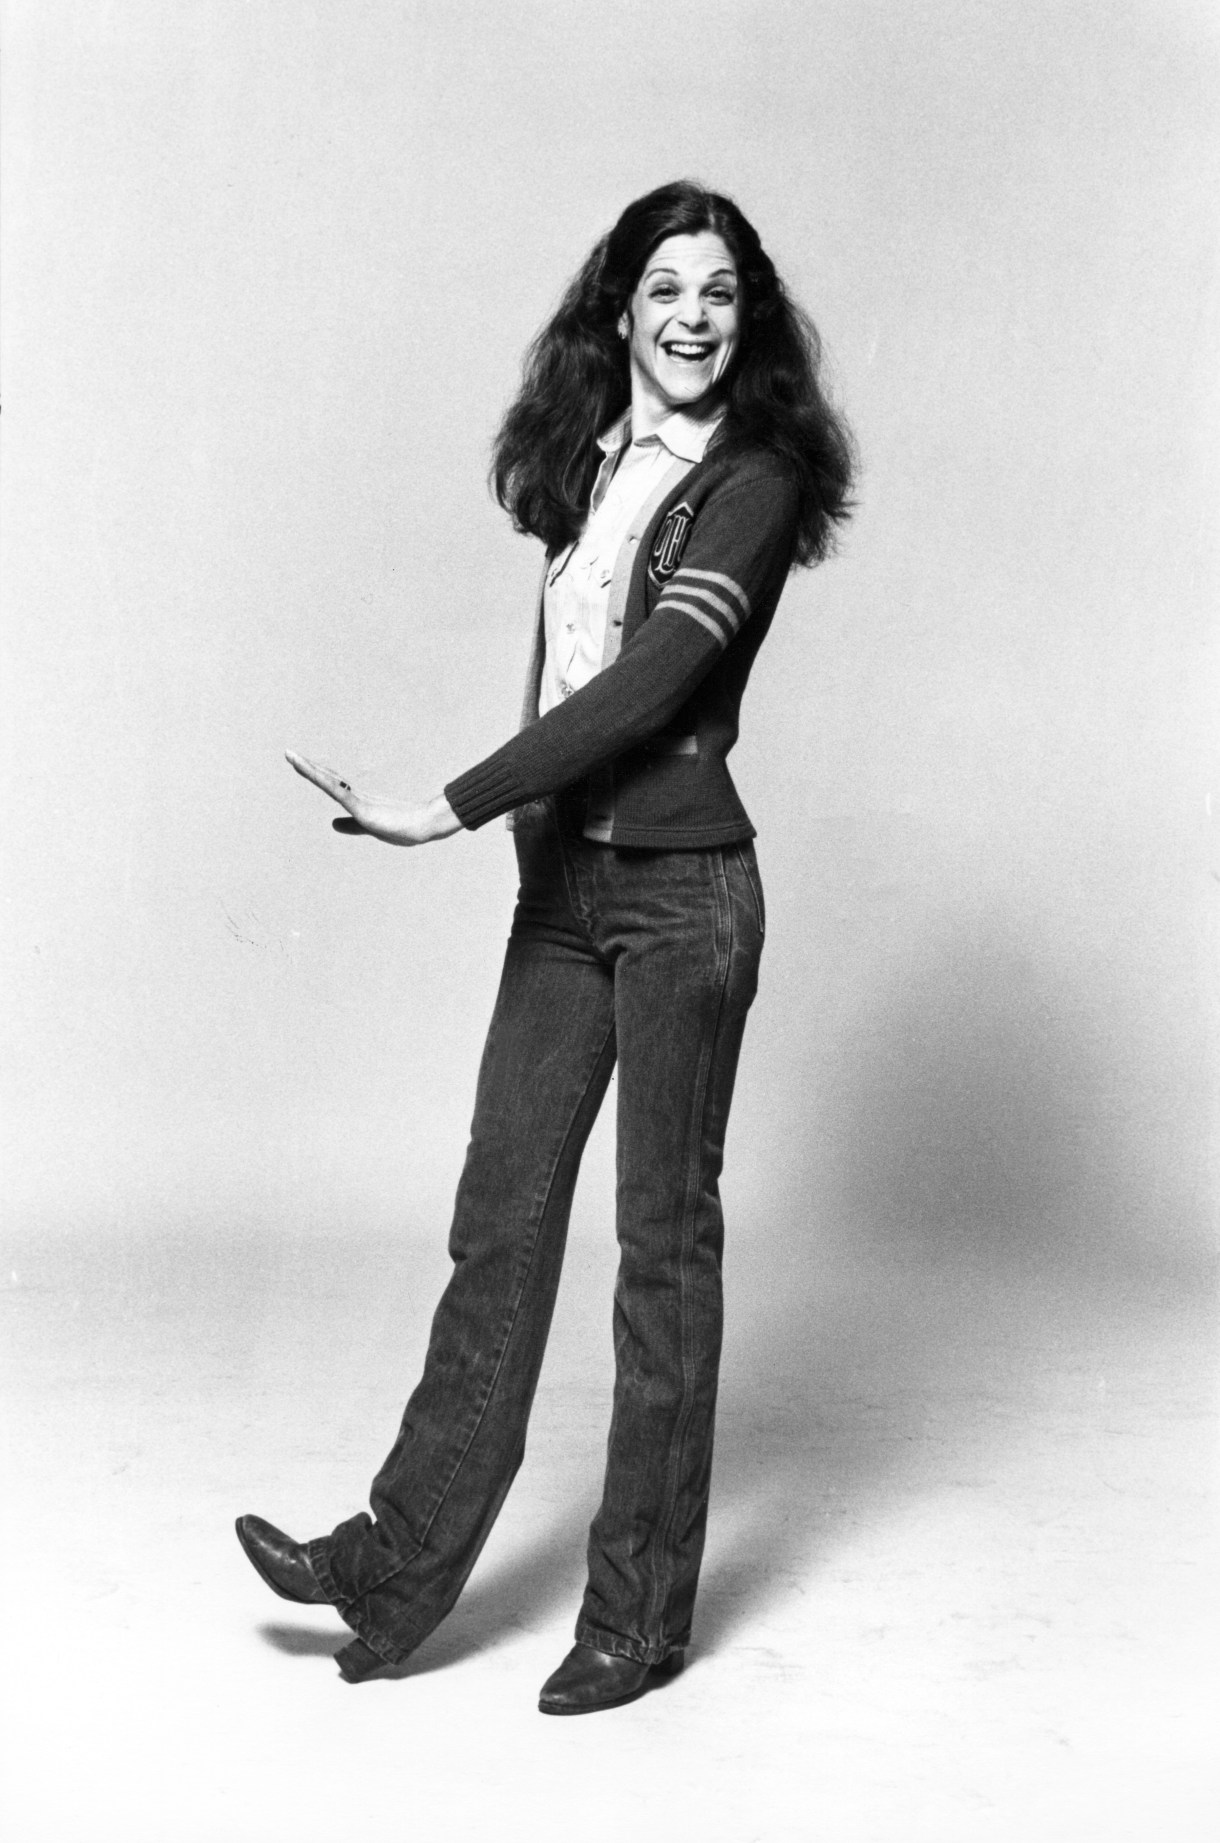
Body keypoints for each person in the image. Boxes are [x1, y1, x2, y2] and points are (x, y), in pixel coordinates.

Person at [236, 180, 854, 1714]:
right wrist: (529, 840)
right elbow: (559, 667)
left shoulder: (756, 480)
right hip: (566, 898)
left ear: (746, 318)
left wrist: (452, 806)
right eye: (665, 289)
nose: (693, 316)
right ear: (622, 311)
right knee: (497, 1225)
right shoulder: (593, 467)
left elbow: (647, 687)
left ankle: (640, 1620)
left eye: (720, 292)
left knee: (663, 1257)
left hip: (684, 902)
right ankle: (391, 1568)